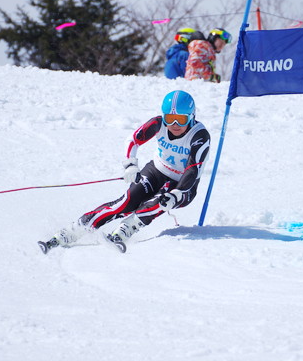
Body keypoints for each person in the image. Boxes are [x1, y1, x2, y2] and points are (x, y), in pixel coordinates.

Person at [38, 90, 211, 254]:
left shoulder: (200, 136)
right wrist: (130, 165)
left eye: (180, 119)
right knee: (126, 201)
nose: (174, 125)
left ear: (191, 116)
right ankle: (75, 229)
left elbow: (193, 170)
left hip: (183, 185)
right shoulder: (158, 123)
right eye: (170, 118)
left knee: (158, 202)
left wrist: (176, 195)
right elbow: (133, 139)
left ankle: (126, 229)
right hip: (156, 170)